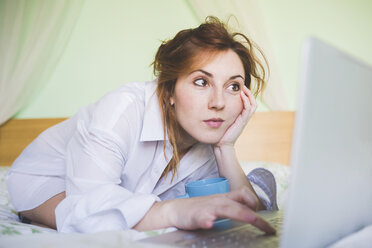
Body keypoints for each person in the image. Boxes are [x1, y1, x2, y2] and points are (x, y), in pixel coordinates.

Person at [6, 16, 276, 234]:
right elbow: (85, 206)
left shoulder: (205, 139)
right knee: (83, 220)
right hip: (47, 179)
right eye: (201, 81)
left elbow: (248, 213)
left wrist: (225, 147)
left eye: (233, 86)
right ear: (169, 89)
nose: (218, 102)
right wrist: (173, 212)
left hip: (118, 190)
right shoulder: (121, 110)